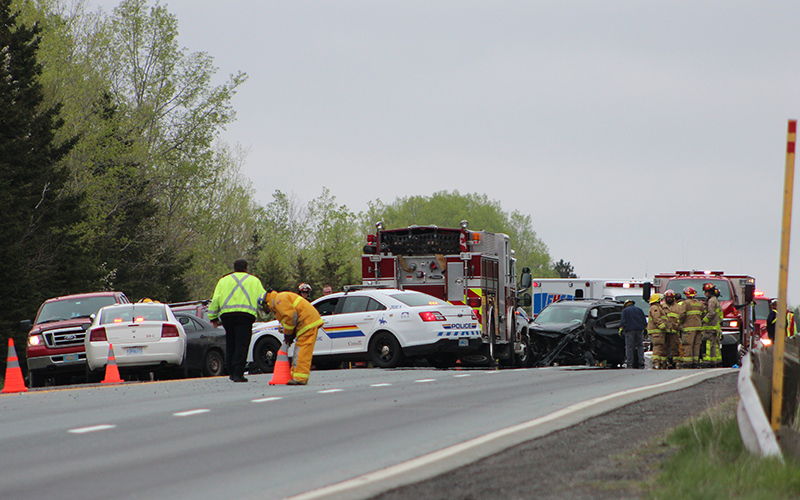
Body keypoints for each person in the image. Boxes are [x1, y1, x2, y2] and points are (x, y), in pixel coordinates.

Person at [208, 258, 266, 382]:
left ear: (234, 268)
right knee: (242, 344)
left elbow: (216, 299)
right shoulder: (254, 281)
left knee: (231, 342)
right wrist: (266, 312)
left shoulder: (223, 280)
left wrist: (213, 317)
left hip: (227, 316)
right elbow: (262, 299)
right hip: (245, 316)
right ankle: (238, 373)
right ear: (246, 268)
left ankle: (231, 370)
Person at [259, 289, 324, 385]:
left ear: (266, 303)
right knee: (299, 350)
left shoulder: (278, 300)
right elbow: (289, 319)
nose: (267, 311)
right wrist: (289, 333)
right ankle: (295, 375)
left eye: (265, 308)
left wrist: (289, 333)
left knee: (302, 351)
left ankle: (300, 378)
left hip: (307, 323)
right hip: (306, 323)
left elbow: (290, 316)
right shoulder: (278, 301)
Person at [678, 287, 704, 368]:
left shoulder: (685, 303)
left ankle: (688, 362)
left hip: (688, 328)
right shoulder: (699, 303)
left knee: (687, 345)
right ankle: (695, 362)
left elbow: (681, 315)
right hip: (698, 328)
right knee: (696, 345)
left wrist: (680, 322)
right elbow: (703, 314)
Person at [619, 299, 646, 369]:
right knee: (640, 346)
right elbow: (644, 320)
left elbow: (623, 321)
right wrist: (644, 328)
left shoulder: (625, 311)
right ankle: (641, 361)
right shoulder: (639, 310)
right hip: (639, 330)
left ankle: (629, 362)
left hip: (629, 331)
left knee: (629, 347)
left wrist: (621, 329)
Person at [701, 283, 722, 367]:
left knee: (708, 344)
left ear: (708, 292)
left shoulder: (711, 301)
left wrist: (703, 321)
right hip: (715, 326)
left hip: (710, 327)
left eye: (705, 292)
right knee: (715, 345)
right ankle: (716, 361)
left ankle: (707, 361)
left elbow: (711, 313)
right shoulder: (715, 300)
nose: (705, 294)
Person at [662, 290, 682, 369]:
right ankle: (663, 363)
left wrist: (677, 325)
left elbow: (681, 317)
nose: (669, 299)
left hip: (674, 331)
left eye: (671, 297)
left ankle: (676, 363)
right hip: (664, 331)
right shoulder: (662, 306)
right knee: (664, 348)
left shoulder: (678, 307)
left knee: (675, 347)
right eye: (668, 297)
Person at [647, 293, 668, 369]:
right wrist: (663, 327)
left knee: (661, 347)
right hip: (657, 331)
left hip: (659, 331)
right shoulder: (655, 308)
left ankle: (661, 363)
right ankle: (656, 362)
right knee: (657, 347)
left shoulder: (657, 307)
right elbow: (657, 319)